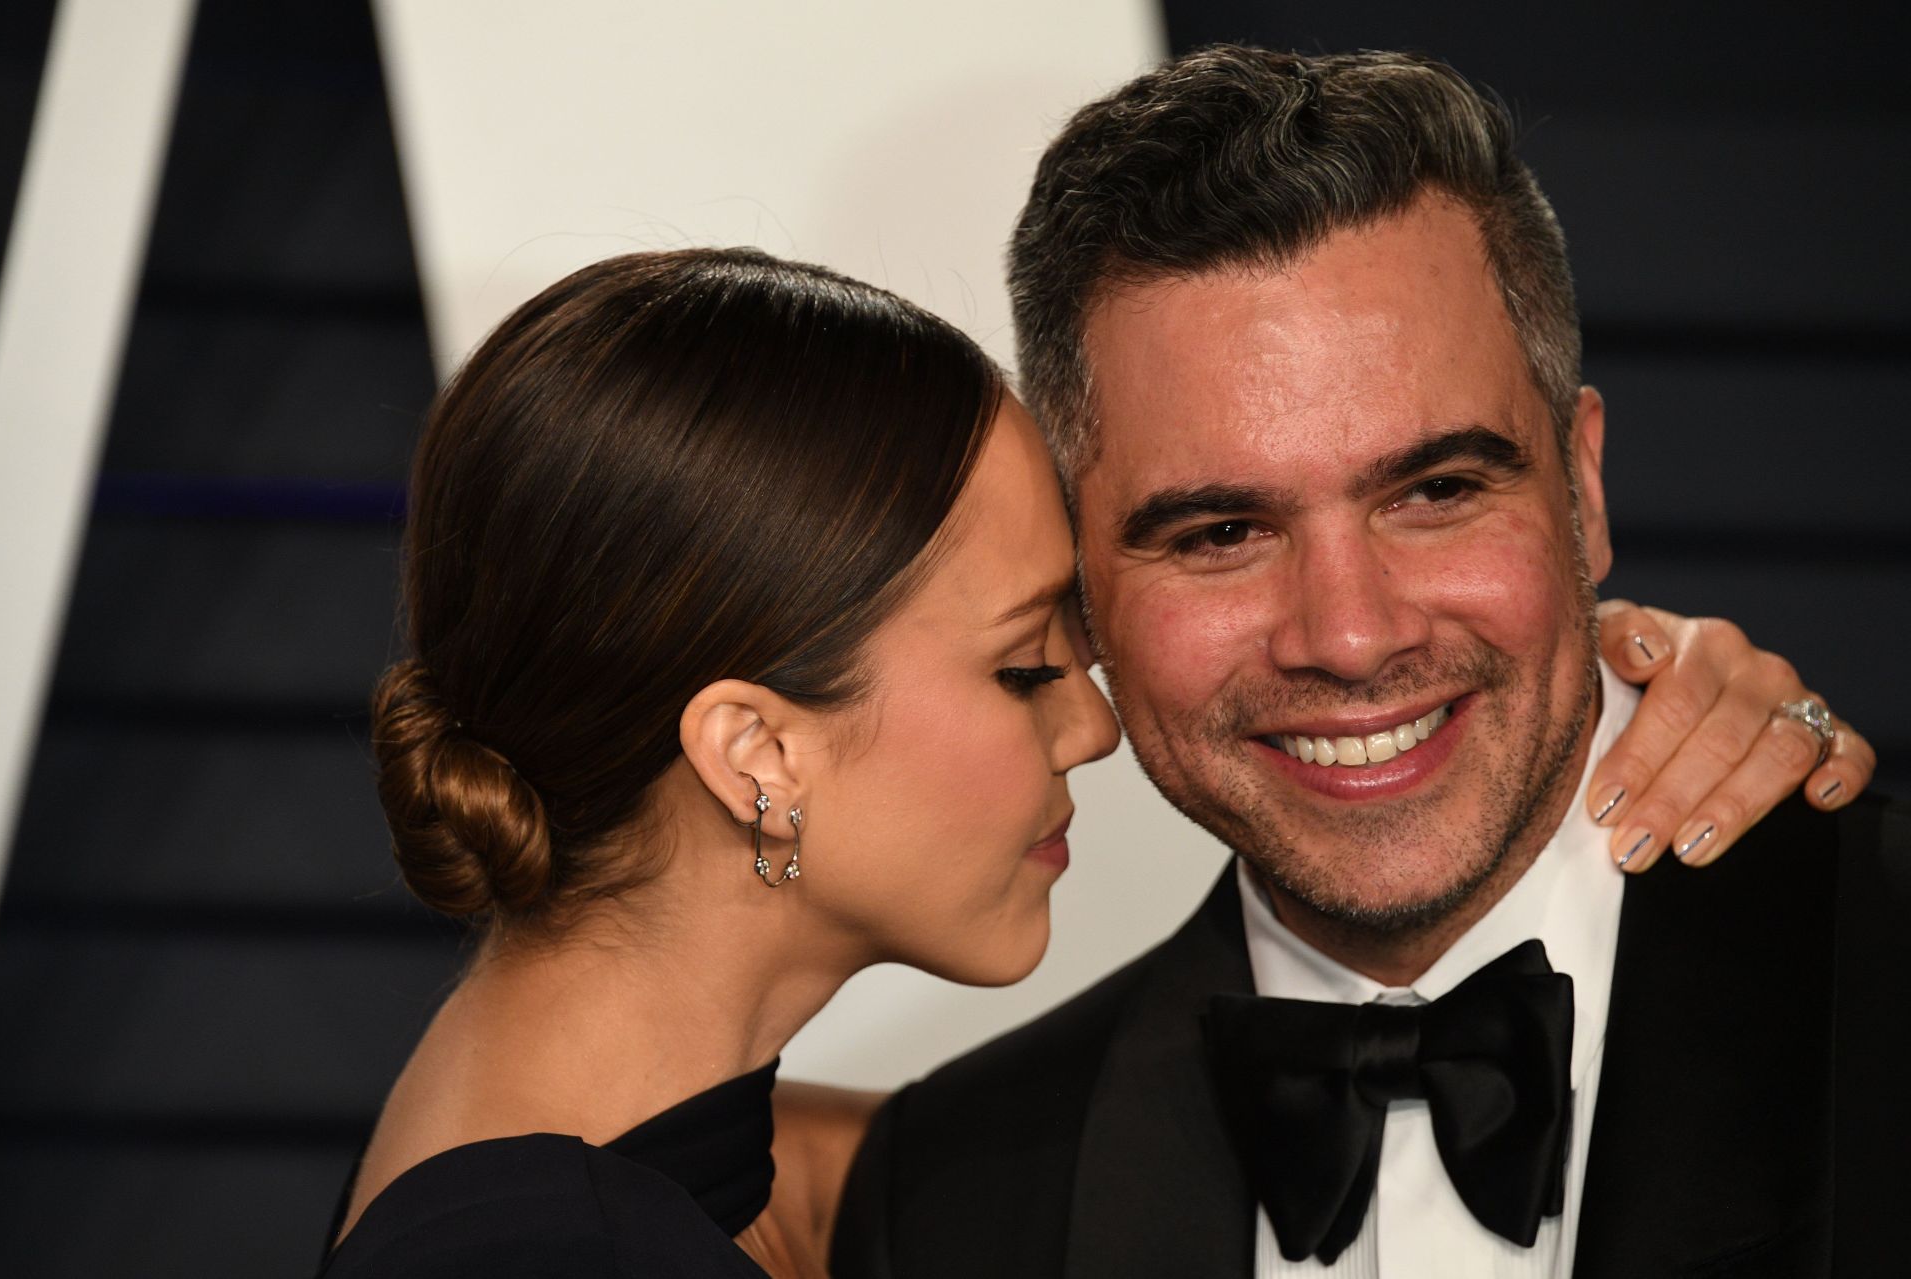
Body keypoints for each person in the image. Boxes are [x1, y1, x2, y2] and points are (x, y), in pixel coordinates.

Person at [319, 250, 1869, 1276]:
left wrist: (1589, 694)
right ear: (754, 751)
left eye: (1441, 491)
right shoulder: (551, 1241)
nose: (1093, 718)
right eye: (1020, 664)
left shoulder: (750, 1168)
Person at [831, 48, 1906, 1278]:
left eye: (1437, 491)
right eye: (1223, 534)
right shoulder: (951, 1203)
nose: (1350, 637)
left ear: (1584, 491)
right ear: (1082, 593)